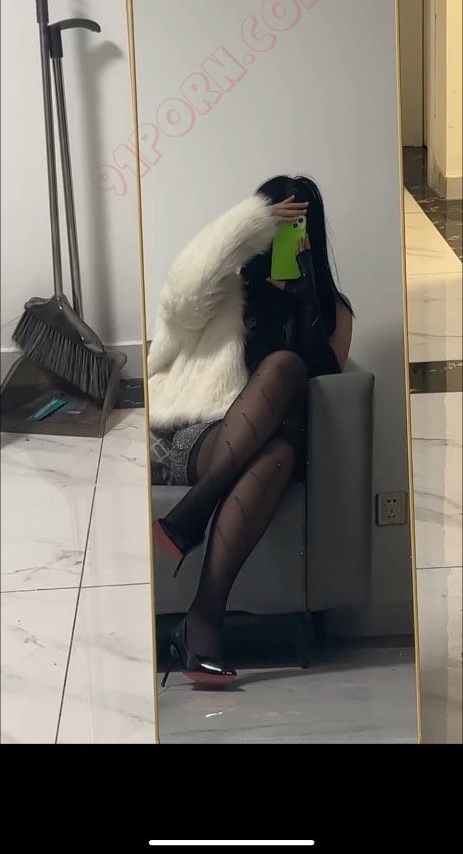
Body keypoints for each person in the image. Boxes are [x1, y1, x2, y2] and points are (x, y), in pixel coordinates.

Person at [148, 175, 353, 687]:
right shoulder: (225, 291)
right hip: (202, 436)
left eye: (296, 224)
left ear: (311, 232)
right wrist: (246, 225)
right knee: (280, 396)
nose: (284, 234)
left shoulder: (332, 309)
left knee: (280, 428)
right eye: (275, 221)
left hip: (280, 445)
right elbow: (179, 292)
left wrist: (305, 300)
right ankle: (201, 621)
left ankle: (193, 528)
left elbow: (325, 385)